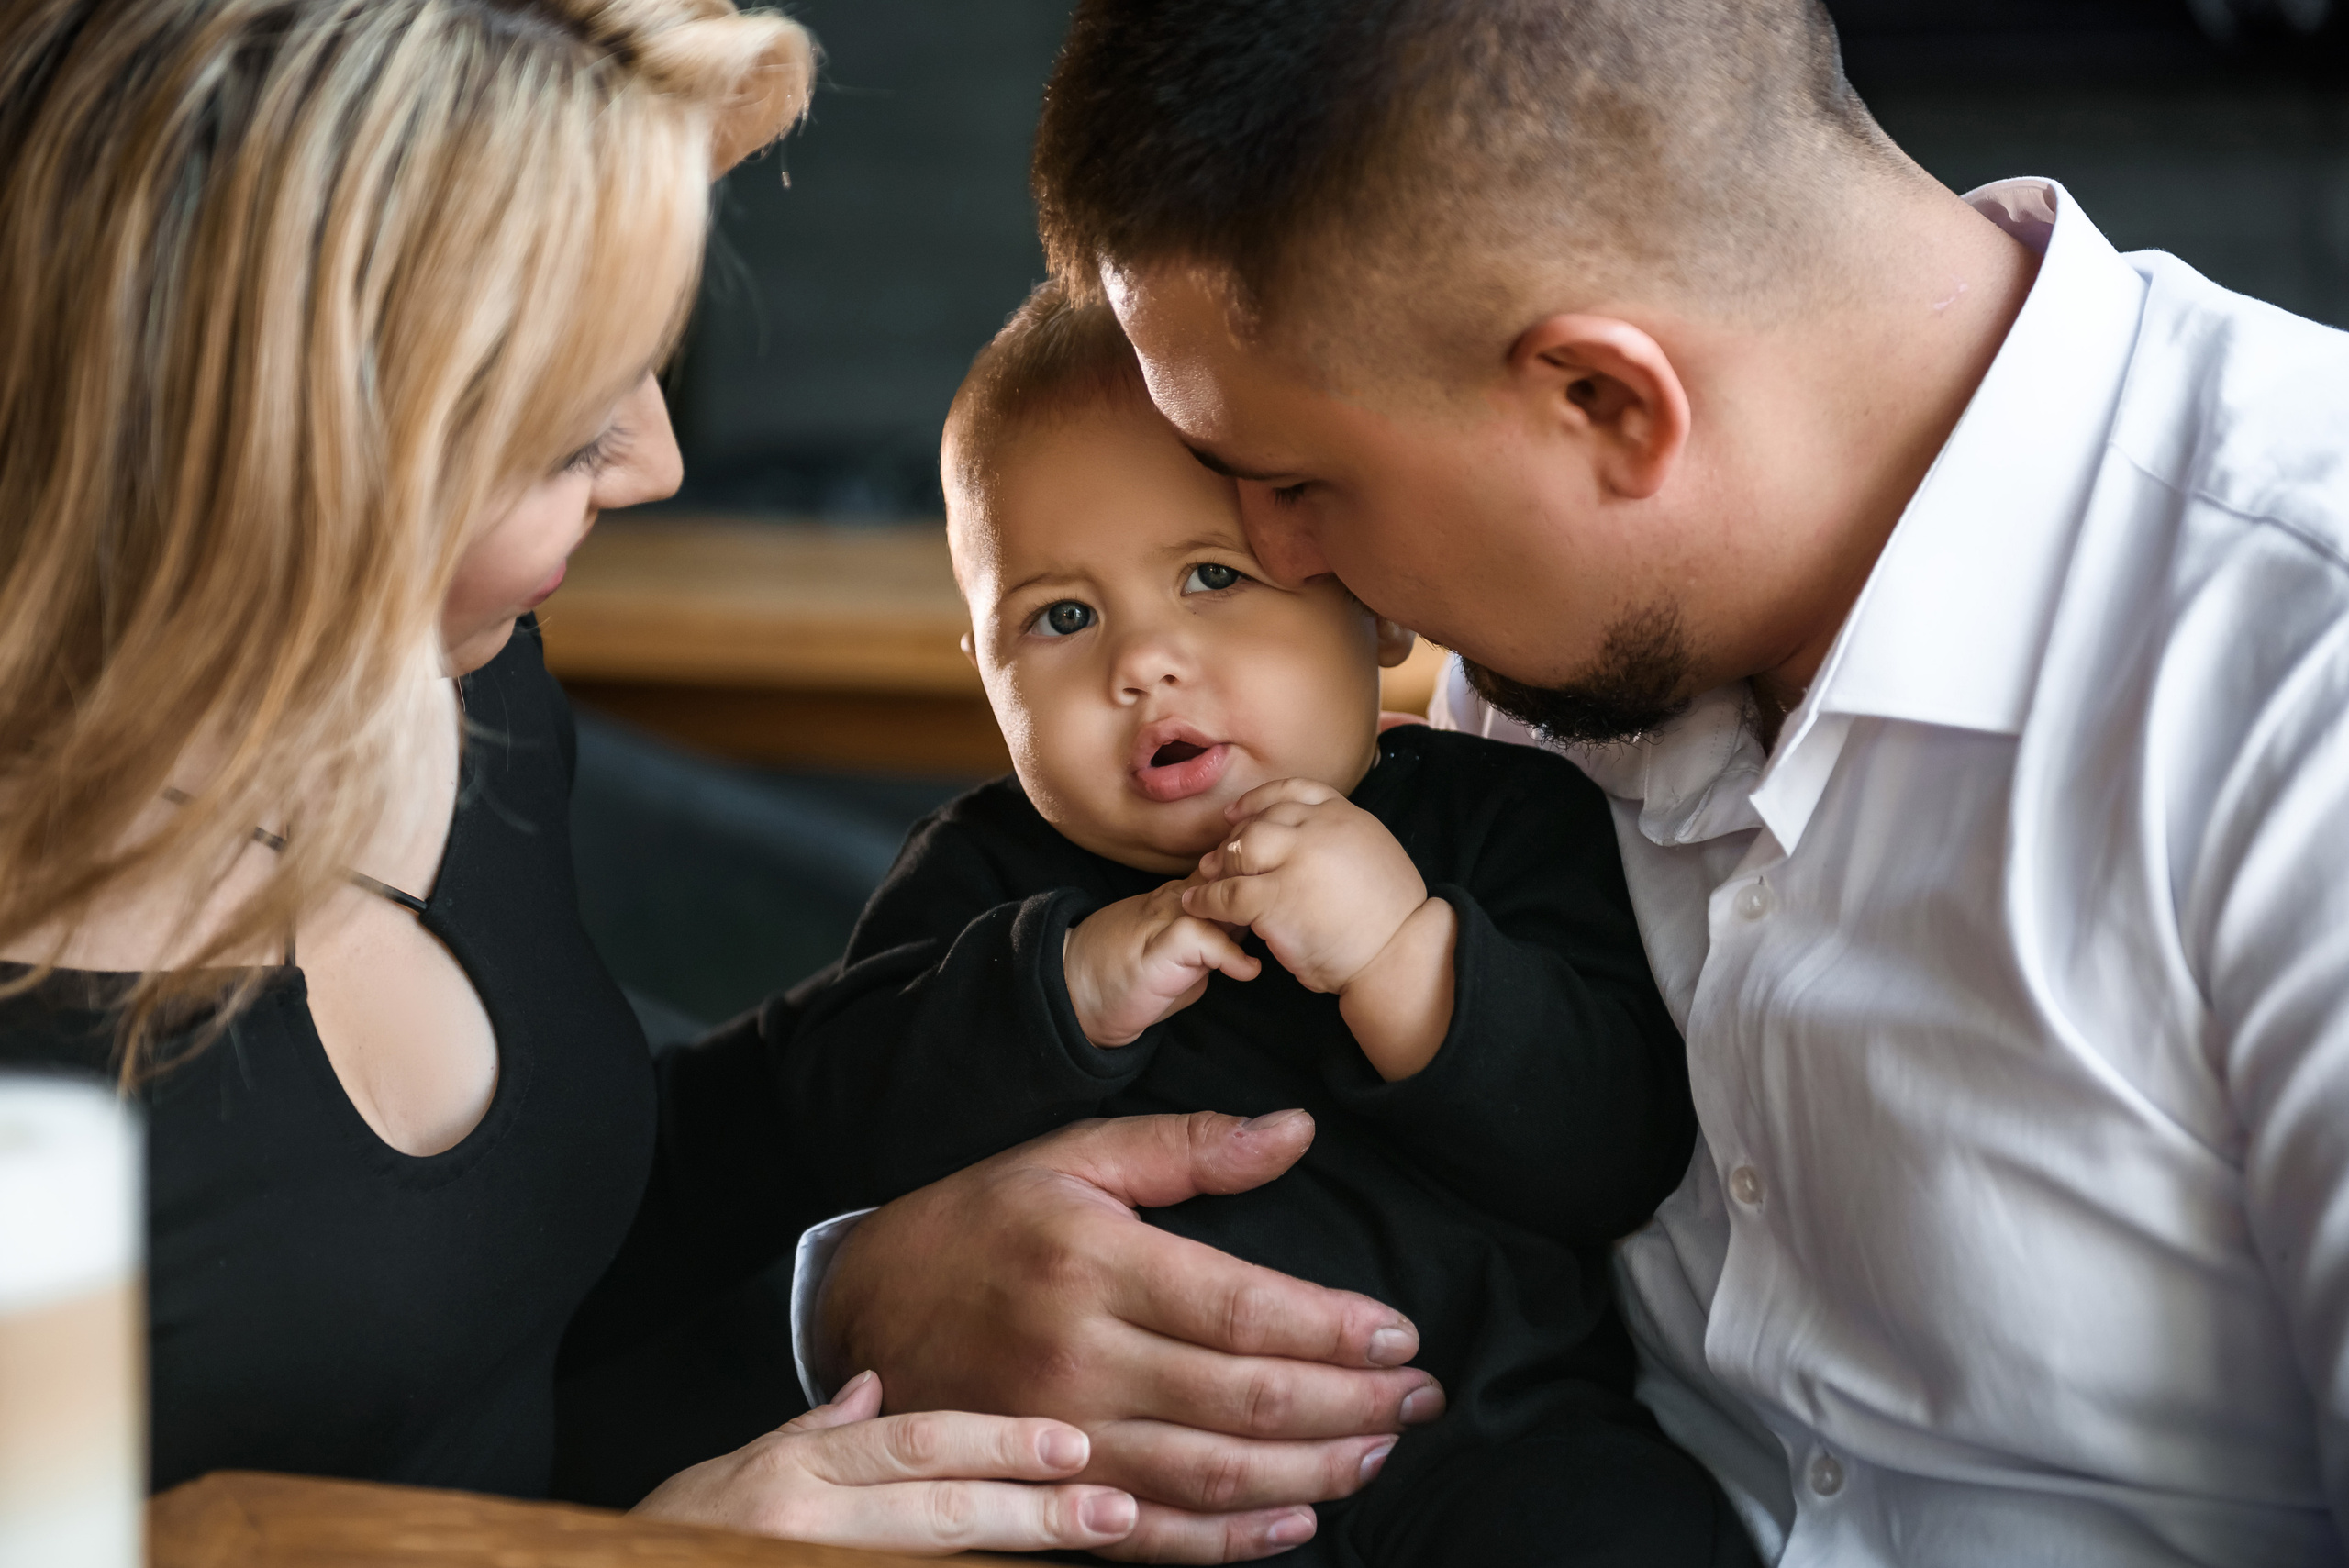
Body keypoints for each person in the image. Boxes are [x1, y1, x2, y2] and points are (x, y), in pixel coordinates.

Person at [796, 0, 2349, 1562]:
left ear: (1608, 404)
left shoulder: (2301, 692)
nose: (1279, 567)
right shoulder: (1542, 648)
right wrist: (870, 1291)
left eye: (1300, 488)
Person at [0, 0, 1153, 1553]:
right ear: (302, 442)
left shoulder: (458, 690)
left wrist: (880, 1252)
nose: (660, 461)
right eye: (570, 431)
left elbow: (518, 1254)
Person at [775, 281, 1745, 1566]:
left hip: (1484, 1438)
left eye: (1211, 577)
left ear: (1374, 596)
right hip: (1110, 1487)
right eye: (1061, 617)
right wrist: (1059, 990)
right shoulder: (986, 875)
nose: (1141, 662)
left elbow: (1619, 1147)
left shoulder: (1500, 817)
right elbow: (839, 1121)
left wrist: (1406, 955)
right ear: (983, 670)